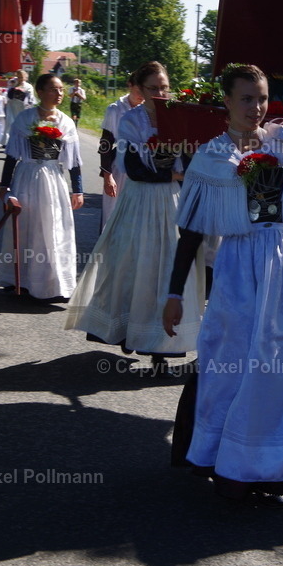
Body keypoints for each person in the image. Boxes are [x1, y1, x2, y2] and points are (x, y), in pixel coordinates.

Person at [161, 64, 283, 504]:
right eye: (246, 98)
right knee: (233, 362)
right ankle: (229, 461)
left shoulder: (282, 142)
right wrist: (174, 294)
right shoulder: (211, 157)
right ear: (227, 102)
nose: (256, 107)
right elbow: (191, 233)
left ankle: (280, 464)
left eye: (262, 98)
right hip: (240, 265)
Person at [65, 61, 204, 367]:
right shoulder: (131, 120)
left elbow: (190, 159)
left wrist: (186, 177)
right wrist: (172, 175)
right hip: (141, 200)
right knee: (136, 266)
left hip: (171, 202)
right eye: (153, 88)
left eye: (164, 87)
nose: (160, 93)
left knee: (170, 266)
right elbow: (135, 168)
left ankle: (161, 346)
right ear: (140, 89)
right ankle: (130, 329)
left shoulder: (178, 117)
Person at [0, 73, 83, 300]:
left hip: (54, 179)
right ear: (40, 92)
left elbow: (73, 162)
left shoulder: (66, 122)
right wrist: (5, 186)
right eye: (54, 89)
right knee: (26, 226)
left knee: (53, 227)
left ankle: (52, 282)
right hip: (27, 177)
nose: (59, 94)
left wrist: (78, 190)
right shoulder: (24, 119)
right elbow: (12, 155)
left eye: (61, 89)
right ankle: (20, 279)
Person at [98, 74, 144, 231]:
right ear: (130, 85)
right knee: (113, 215)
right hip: (120, 168)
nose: (141, 95)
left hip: (144, 169)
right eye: (138, 89)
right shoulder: (115, 109)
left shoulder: (150, 110)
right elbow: (105, 144)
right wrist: (107, 176)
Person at [5, 70, 36, 147]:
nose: (20, 79)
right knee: (12, 124)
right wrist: (13, 88)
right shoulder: (13, 83)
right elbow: (9, 96)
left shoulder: (28, 86)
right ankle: (11, 142)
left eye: (21, 77)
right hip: (13, 107)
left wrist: (22, 93)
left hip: (23, 107)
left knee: (23, 124)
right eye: (18, 77)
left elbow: (30, 99)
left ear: (25, 77)